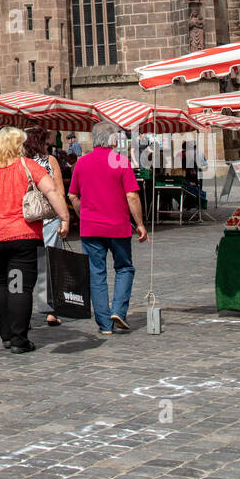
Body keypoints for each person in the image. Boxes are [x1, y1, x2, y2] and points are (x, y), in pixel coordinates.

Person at [0, 127, 69, 352]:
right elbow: (52, 192)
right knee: (19, 287)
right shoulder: (28, 166)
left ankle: (6, 336)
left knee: (0, 284)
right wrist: (65, 218)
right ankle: (19, 340)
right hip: (23, 237)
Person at [68, 121, 149, 336]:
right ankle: (119, 311)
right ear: (113, 140)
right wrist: (140, 224)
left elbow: (73, 196)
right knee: (124, 268)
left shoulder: (81, 163)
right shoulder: (120, 161)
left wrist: (82, 215)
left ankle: (104, 324)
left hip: (91, 228)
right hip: (118, 226)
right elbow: (132, 195)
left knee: (96, 274)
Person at [23, 126, 69, 326]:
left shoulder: (21, 164)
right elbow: (59, 190)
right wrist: (65, 218)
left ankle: (23, 308)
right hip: (49, 217)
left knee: (28, 264)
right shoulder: (49, 161)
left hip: (27, 218)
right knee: (49, 262)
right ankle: (49, 309)